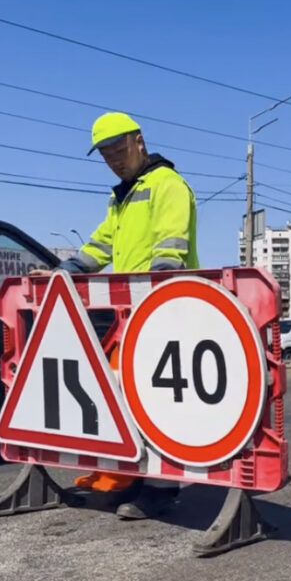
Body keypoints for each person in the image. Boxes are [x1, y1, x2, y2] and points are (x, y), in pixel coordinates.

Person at [55, 112, 199, 520]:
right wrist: (60, 274)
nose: (114, 159)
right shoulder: (124, 196)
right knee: (126, 398)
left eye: (119, 149)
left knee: (160, 400)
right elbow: (100, 245)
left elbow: (170, 247)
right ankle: (132, 476)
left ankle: (161, 488)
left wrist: (158, 290)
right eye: (105, 154)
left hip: (164, 308)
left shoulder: (166, 185)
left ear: (139, 141)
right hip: (133, 313)